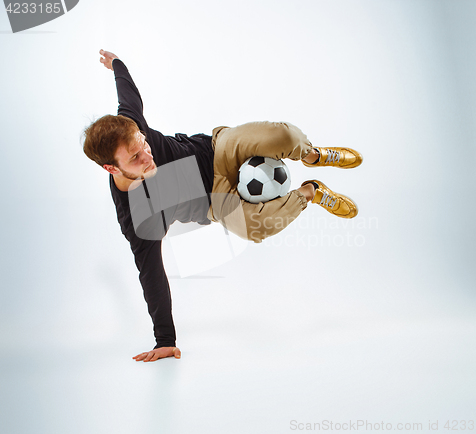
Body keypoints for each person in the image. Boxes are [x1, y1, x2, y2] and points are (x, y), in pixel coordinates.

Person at [82, 49, 363, 363]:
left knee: (280, 134)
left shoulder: (131, 126)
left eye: (143, 144)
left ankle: (315, 155)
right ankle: (313, 192)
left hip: (216, 151)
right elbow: (151, 274)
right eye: (135, 158)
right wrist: (165, 339)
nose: (147, 155)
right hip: (216, 201)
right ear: (112, 168)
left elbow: (128, 95)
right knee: (255, 229)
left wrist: (117, 64)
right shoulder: (136, 217)